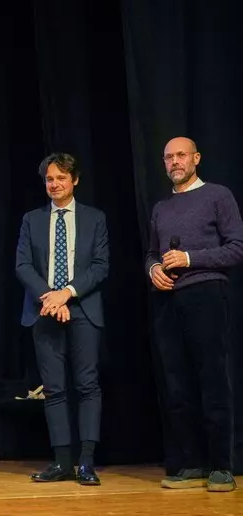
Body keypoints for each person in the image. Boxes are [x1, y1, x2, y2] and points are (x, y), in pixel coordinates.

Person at [146, 137, 243, 492]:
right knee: (177, 383)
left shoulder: (218, 195)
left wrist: (189, 258)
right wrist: (153, 269)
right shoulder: (161, 207)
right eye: (168, 157)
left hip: (207, 295)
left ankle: (221, 466)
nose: (174, 162)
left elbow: (237, 248)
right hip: (168, 301)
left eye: (181, 155)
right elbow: (151, 252)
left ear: (196, 158)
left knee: (213, 380)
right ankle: (192, 463)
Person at [15, 153, 108, 486]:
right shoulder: (32, 219)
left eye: (61, 178)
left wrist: (66, 293)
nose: (54, 184)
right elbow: (23, 266)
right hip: (44, 309)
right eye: (49, 179)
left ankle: (86, 462)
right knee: (53, 389)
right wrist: (50, 297)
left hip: (83, 308)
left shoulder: (94, 218)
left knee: (87, 386)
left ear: (75, 180)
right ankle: (62, 462)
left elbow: (100, 266)